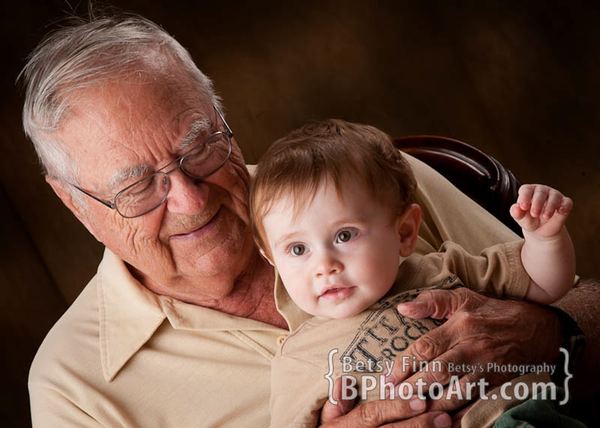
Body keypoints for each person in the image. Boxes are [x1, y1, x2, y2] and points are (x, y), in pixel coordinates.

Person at [20, 14, 596, 428]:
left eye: (199, 147)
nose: (191, 201)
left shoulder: (371, 185)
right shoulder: (76, 391)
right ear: (75, 204)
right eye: (138, 187)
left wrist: (549, 333)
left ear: (222, 117)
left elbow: (580, 299)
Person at [249, 119, 575, 427]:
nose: (324, 266)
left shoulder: (439, 268)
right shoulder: (295, 361)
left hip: (524, 415)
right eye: (297, 249)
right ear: (272, 259)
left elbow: (545, 285)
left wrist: (544, 239)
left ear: (404, 233)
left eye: (344, 236)